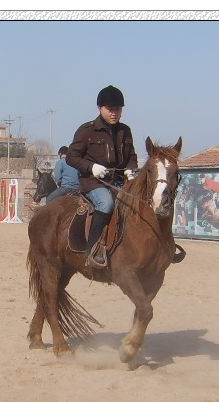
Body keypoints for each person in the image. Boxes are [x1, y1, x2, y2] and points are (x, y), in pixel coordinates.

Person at [66, 85, 138, 268]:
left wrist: (131, 169)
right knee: (106, 204)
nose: (114, 113)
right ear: (100, 108)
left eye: (118, 109)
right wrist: (91, 167)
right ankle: (93, 249)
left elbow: (132, 157)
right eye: (110, 109)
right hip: (93, 182)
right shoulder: (87, 130)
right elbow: (71, 157)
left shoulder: (125, 131)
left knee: (141, 203)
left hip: (119, 181)